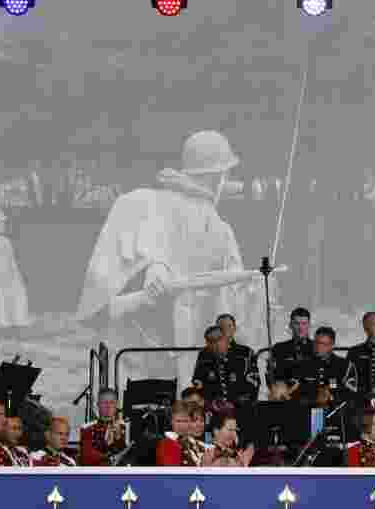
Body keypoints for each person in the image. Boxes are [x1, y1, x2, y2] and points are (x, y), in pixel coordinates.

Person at [76, 130, 257, 387]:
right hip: (180, 331)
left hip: (146, 333)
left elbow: (105, 277)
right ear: (217, 177)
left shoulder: (138, 202)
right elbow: (233, 295)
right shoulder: (218, 227)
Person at [193, 326, 254, 414]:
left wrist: (235, 403)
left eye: (219, 339)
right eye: (211, 341)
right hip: (213, 409)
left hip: (241, 408)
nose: (216, 344)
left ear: (226, 339)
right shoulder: (204, 355)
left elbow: (252, 383)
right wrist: (211, 403)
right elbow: (198, 382)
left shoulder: (245, 353)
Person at [293, 327, 358, 405]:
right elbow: (294, 391)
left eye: (323, 344)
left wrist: (330, 395)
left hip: (336, 412)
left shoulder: (345, 365)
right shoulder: (303, 364)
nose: (318, 347)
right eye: (316, 342)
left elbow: (352, 393)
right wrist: (314, 396)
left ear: (332, 345)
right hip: (308, 410)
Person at [78, 388, 128, 466]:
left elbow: (129, 458)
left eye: (112, 402)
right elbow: (86, 458)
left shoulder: (126, 427)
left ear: (117, 405)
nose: (108, 406)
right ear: (98, 404)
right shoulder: (87, 428)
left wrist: (119, 439)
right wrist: (106, 446)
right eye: (104, 402)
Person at [268, 308, 314, 388]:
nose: (300, 328)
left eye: (304, 324)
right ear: (290, 325)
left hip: (313, 396)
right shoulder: (279, 349)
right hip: (286, 396)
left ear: (309, 325)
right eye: (297, 323)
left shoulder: (318, 348)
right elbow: (272, 377)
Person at [218, 313, 259, 401]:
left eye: (229, 326)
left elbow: (254, 381)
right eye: (221, 327)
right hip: (213, 406)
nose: (225, 329)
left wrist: (243, 400)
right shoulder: (206, 353)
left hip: (239, 405)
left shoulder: (246, 352)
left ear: (235, 328)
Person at [156, 401, 207, 467]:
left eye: (185, 421)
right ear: (171, 422)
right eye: (178, 421)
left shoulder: (194, 444)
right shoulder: (167, 443)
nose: (181, 425)